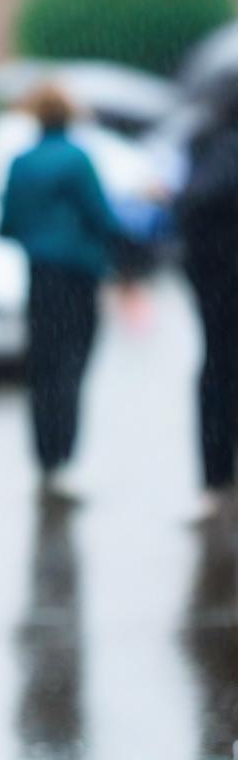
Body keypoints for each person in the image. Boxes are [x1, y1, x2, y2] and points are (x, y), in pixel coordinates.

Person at [0, 84, 120, 500]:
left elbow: (7, 222)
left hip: (40, 276)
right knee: (72, 365)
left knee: (44, 367)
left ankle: (45, 458)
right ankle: (64, 456)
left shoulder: (21, 162)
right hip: (78, 276)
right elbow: (102, 216)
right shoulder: (78, 159)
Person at [174, 98, 238, 523]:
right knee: (220, 371)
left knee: (217, 373)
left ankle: (216, 479)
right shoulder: (223, 150)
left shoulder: (205, 142)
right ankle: (217, 478)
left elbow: (189, 208)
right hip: (223, 280)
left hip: (213, 279)